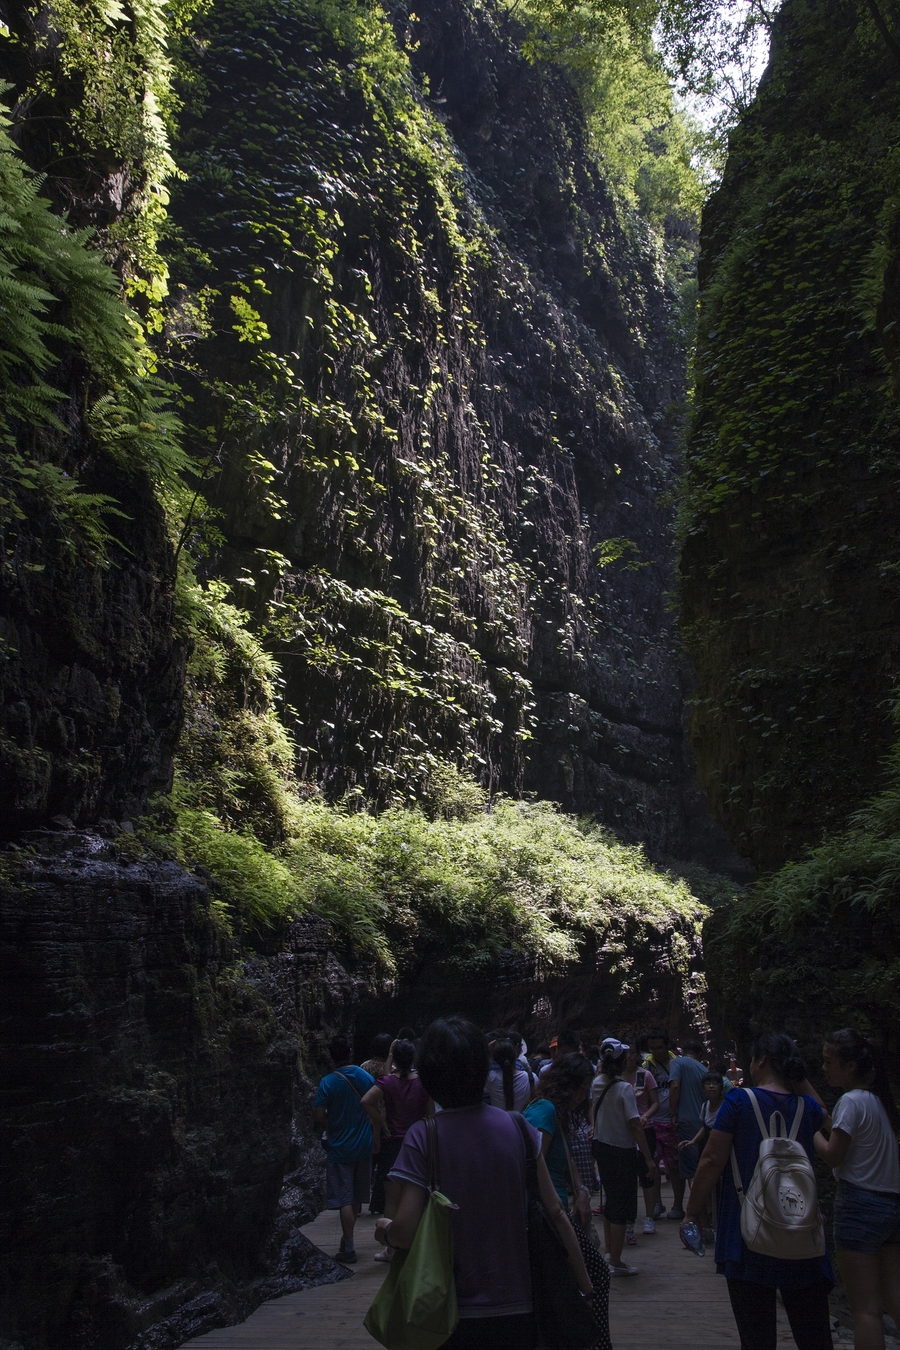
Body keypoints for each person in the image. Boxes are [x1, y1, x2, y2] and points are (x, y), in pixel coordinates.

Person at [379, 1016, 592, 1350]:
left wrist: (384, 1228)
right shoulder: (519, 1127)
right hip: (520, 1301)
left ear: (430, 1075)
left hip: (447, 1306)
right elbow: (557, 1212)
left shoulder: (426, 1135)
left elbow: (404, 1232)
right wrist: (585, 1289)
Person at [679, 1031, 834, 1350]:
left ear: (760, 1061)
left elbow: (710, 1160)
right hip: (800, 1225)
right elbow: (828, 1120)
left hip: (747, 1230)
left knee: (757, 1338)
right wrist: (800, 1081)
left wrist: (692, 1213)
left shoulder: (739, 1101)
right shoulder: (806, 1107)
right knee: (814, 1336)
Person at [814, 1028, 900, 1350]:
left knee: (866, 1310)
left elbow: (834, 1154)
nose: (824, 1068)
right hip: (892, 1208)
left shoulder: (850, 1102)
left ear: (850, 1066)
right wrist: (823, 1120)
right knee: (894, 1296)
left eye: (829, 1062)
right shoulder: (880, 1104)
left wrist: (812, 1133)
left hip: (859, 1209)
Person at [524, 1053, 611, 1350]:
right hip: (547, 1220)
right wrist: (557, 1213)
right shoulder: (544, 1111)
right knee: (595, 1276)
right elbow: (530, 1163)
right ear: (569, 1085)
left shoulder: (555, 1112)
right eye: (583, 1088)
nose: (584, 1095)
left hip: (558, 1214)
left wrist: (582, 1190)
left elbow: (563, 1156)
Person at [361, 1039, 433, 1259]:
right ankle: (417, 1245)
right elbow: (431, 1115)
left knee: (392, 1198)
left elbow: (366, 1101)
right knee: (419, 1194)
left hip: (393, 1143)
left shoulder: (387, 1082)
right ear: (413, 1059)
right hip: (417, 1144)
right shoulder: (423, 1084)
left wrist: (381, 1121)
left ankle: (391, 1248)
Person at [591, 1038, 657, 1275]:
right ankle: (615, 1261)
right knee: (621, 1206)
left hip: (601, 1146)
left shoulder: (597, 1083)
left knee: (611, 1200)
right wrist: (649, 1159)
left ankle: (609, 1252)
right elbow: (635, 1125)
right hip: (622, 1150)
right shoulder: (623, 1088)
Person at [314, 1034, 375, 1264]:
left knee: (344, 1198)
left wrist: (334, 1114)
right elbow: (374, 1105)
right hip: (363, 1144)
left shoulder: (328, 1082)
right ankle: (347, 1238)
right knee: (357, 1196)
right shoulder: (366, 1077)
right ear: (350, 1053)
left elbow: (319, 1115)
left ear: (331, 1057)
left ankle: (348, 1245)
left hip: (340, 1147)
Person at [670, 1039, 710, 1219]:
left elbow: (675, 1085)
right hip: (703, 1123)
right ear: (699, 1054)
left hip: (686, 1122)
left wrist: (672, 1112)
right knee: (703, 1168)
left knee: (691, 1172)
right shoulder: (704, 1070)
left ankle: (696, 1214)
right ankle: (707, 1212)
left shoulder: (677, 1062)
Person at [643, 1028, 680, 1218]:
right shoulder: (647, 1066)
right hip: (653, 1122)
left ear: (667, 1046)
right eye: (652, 1048)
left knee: (674, 1166)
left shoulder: (677, 1064)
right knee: (654, 1165)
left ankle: (678, 1204)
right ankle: (657, 1204)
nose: (656, 1051)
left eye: (659, 1047)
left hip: (672, 1122)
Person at [623, 1043, 660, 1236]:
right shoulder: (616, 1076)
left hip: (644, 1127)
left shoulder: (643, 1075)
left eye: (632, 1053)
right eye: (626, 1054)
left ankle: (649, 1217)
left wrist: (647, 1115)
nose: (629, 1057)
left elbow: (655, 1103)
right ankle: (628, 1217)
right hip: (623, 1130)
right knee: (626, 1174)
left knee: (647, 1172)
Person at [485, 1036, 534, 1111]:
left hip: (499, 1122)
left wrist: (486, 1050)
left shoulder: (490, 1078)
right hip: (522, 1122)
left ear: (494, 1058)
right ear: (515, 1055)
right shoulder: (531, 1077)